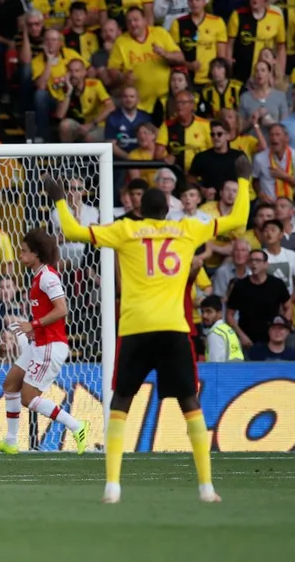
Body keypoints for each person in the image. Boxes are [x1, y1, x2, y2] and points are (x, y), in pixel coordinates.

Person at [49, 155, 252, 504]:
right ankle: (206, 487)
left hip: (136, 328)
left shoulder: (126, 230)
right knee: (190, 402)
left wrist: (59, 200)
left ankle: (112, 486)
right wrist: (244, 179)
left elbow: (71, 232)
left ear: (141, 211)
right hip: (173, 329)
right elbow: (238, 219)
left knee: (121, 403)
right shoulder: (189, 228)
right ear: (168, 212)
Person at [0, 229, 90, 455]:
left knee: (28, 398)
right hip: (39, 343)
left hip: (51, 346)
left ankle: (76, 426)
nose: (20, 255)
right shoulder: (37, 276)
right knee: (10, 384)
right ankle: (11, 442)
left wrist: (32, 325)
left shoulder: (48, 277)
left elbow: (62, 309)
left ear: (36, 253)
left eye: (24, 252)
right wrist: (36, 329)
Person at [199, 295, 243, 362]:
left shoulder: (215, 333)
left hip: (225, 372)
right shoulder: (228, 330)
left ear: (219, 313)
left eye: (209, 311)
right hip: (236, 371)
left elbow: (215, 364)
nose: (204, 315)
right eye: (202, 311)